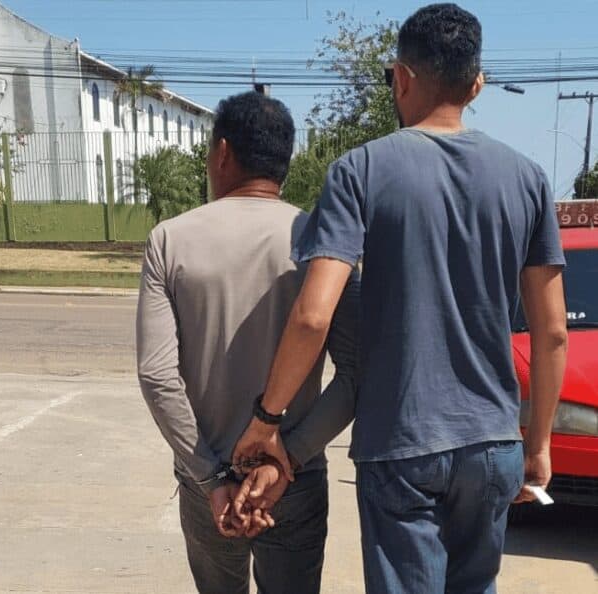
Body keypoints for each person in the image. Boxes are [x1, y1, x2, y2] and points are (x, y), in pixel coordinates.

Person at [233, 4, 568, 594]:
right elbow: (552, 332)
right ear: (477, 85)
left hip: (402, 445)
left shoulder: (360, 171)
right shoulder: (528, 178)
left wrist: (267, 420)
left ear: (401, 78)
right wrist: (537, 443)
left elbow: (313, 316)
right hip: (493, 441)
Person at [136, 91, 359, 594]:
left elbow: (157, 375)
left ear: (222, 153)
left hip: (205, 478)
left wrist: (211, 477)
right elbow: (356, 374)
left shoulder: (170, 240)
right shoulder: (322, 240)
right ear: (285, 161)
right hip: (294, 478)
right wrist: (288, 459)